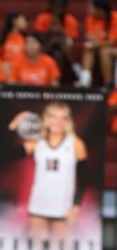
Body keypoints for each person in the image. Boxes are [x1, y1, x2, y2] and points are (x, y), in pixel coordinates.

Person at [8, 102, 88, 241]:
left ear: (68, 121)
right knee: (37, 249)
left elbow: (84, 177)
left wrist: (76, 205)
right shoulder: (36, 142)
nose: (57, 121)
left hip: (64, 205)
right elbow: (8, 154)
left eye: (63, 118)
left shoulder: (76, 143)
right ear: (46, 119)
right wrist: (14, 125)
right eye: (53, 117)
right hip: (39, 203)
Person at [34, 0, 80, 83]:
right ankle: (75, 67)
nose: (57, 10)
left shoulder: (70, 20)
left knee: (58, 54)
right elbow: (39, 37)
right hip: (46, 46)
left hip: (63, 50)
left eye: (60, 7)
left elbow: (71, 41)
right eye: (55, 6)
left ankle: (56, 81)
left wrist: (60, 32)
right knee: (56, 38)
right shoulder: (43, 17)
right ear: (51, 6)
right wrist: (50, 32)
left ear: (65, 7)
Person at [78, 0, 117, 87]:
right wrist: (96, 43)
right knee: (89, 49)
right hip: (104, 47)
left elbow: (112, 42)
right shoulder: (90, 18)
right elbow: (91, 37)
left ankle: (109, 82)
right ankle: (85, 79)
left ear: (100, 9)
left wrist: (97, 43)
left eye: (91, 7)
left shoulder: (115, 18)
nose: (88, 9)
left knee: (104, 51)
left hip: (113, 49)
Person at [0, 12, 27, 77]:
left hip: (21, 69)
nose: (25, 22)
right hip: (6, 70)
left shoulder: (26, 38)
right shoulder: (2, 38)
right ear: (14, 21)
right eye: (22, 20)